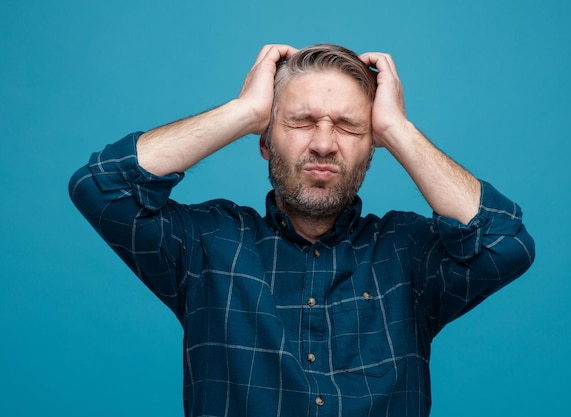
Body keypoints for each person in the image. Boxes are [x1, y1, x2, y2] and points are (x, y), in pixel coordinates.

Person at [69, 43, 535, 417]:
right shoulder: (206, 245)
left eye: (350, 127)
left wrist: (396, 128)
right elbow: (101, 186)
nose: (325, 143)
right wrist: (244, 111)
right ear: (266, 143)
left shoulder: (408, 253)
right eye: (302, 121)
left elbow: (506, 243)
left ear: (372, 151)